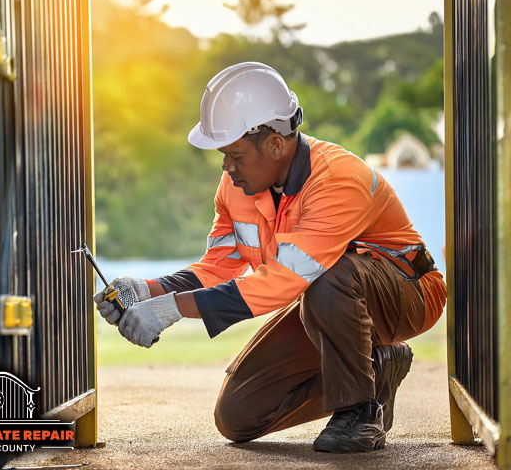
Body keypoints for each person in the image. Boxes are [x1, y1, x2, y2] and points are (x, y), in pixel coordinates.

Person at [93, 62, 447, 453]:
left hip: (407, 291)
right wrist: (145, 291)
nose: (227, 167)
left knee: (328, 278)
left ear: (276, 144)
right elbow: (217, 266)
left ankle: (359, 413)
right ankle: (376, 369)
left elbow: (285, 281)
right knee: (238, 415)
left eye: (235, 155)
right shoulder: (235, 186)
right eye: (223, 155)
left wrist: (170, 310)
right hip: (326, 302)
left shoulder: (337, 179)